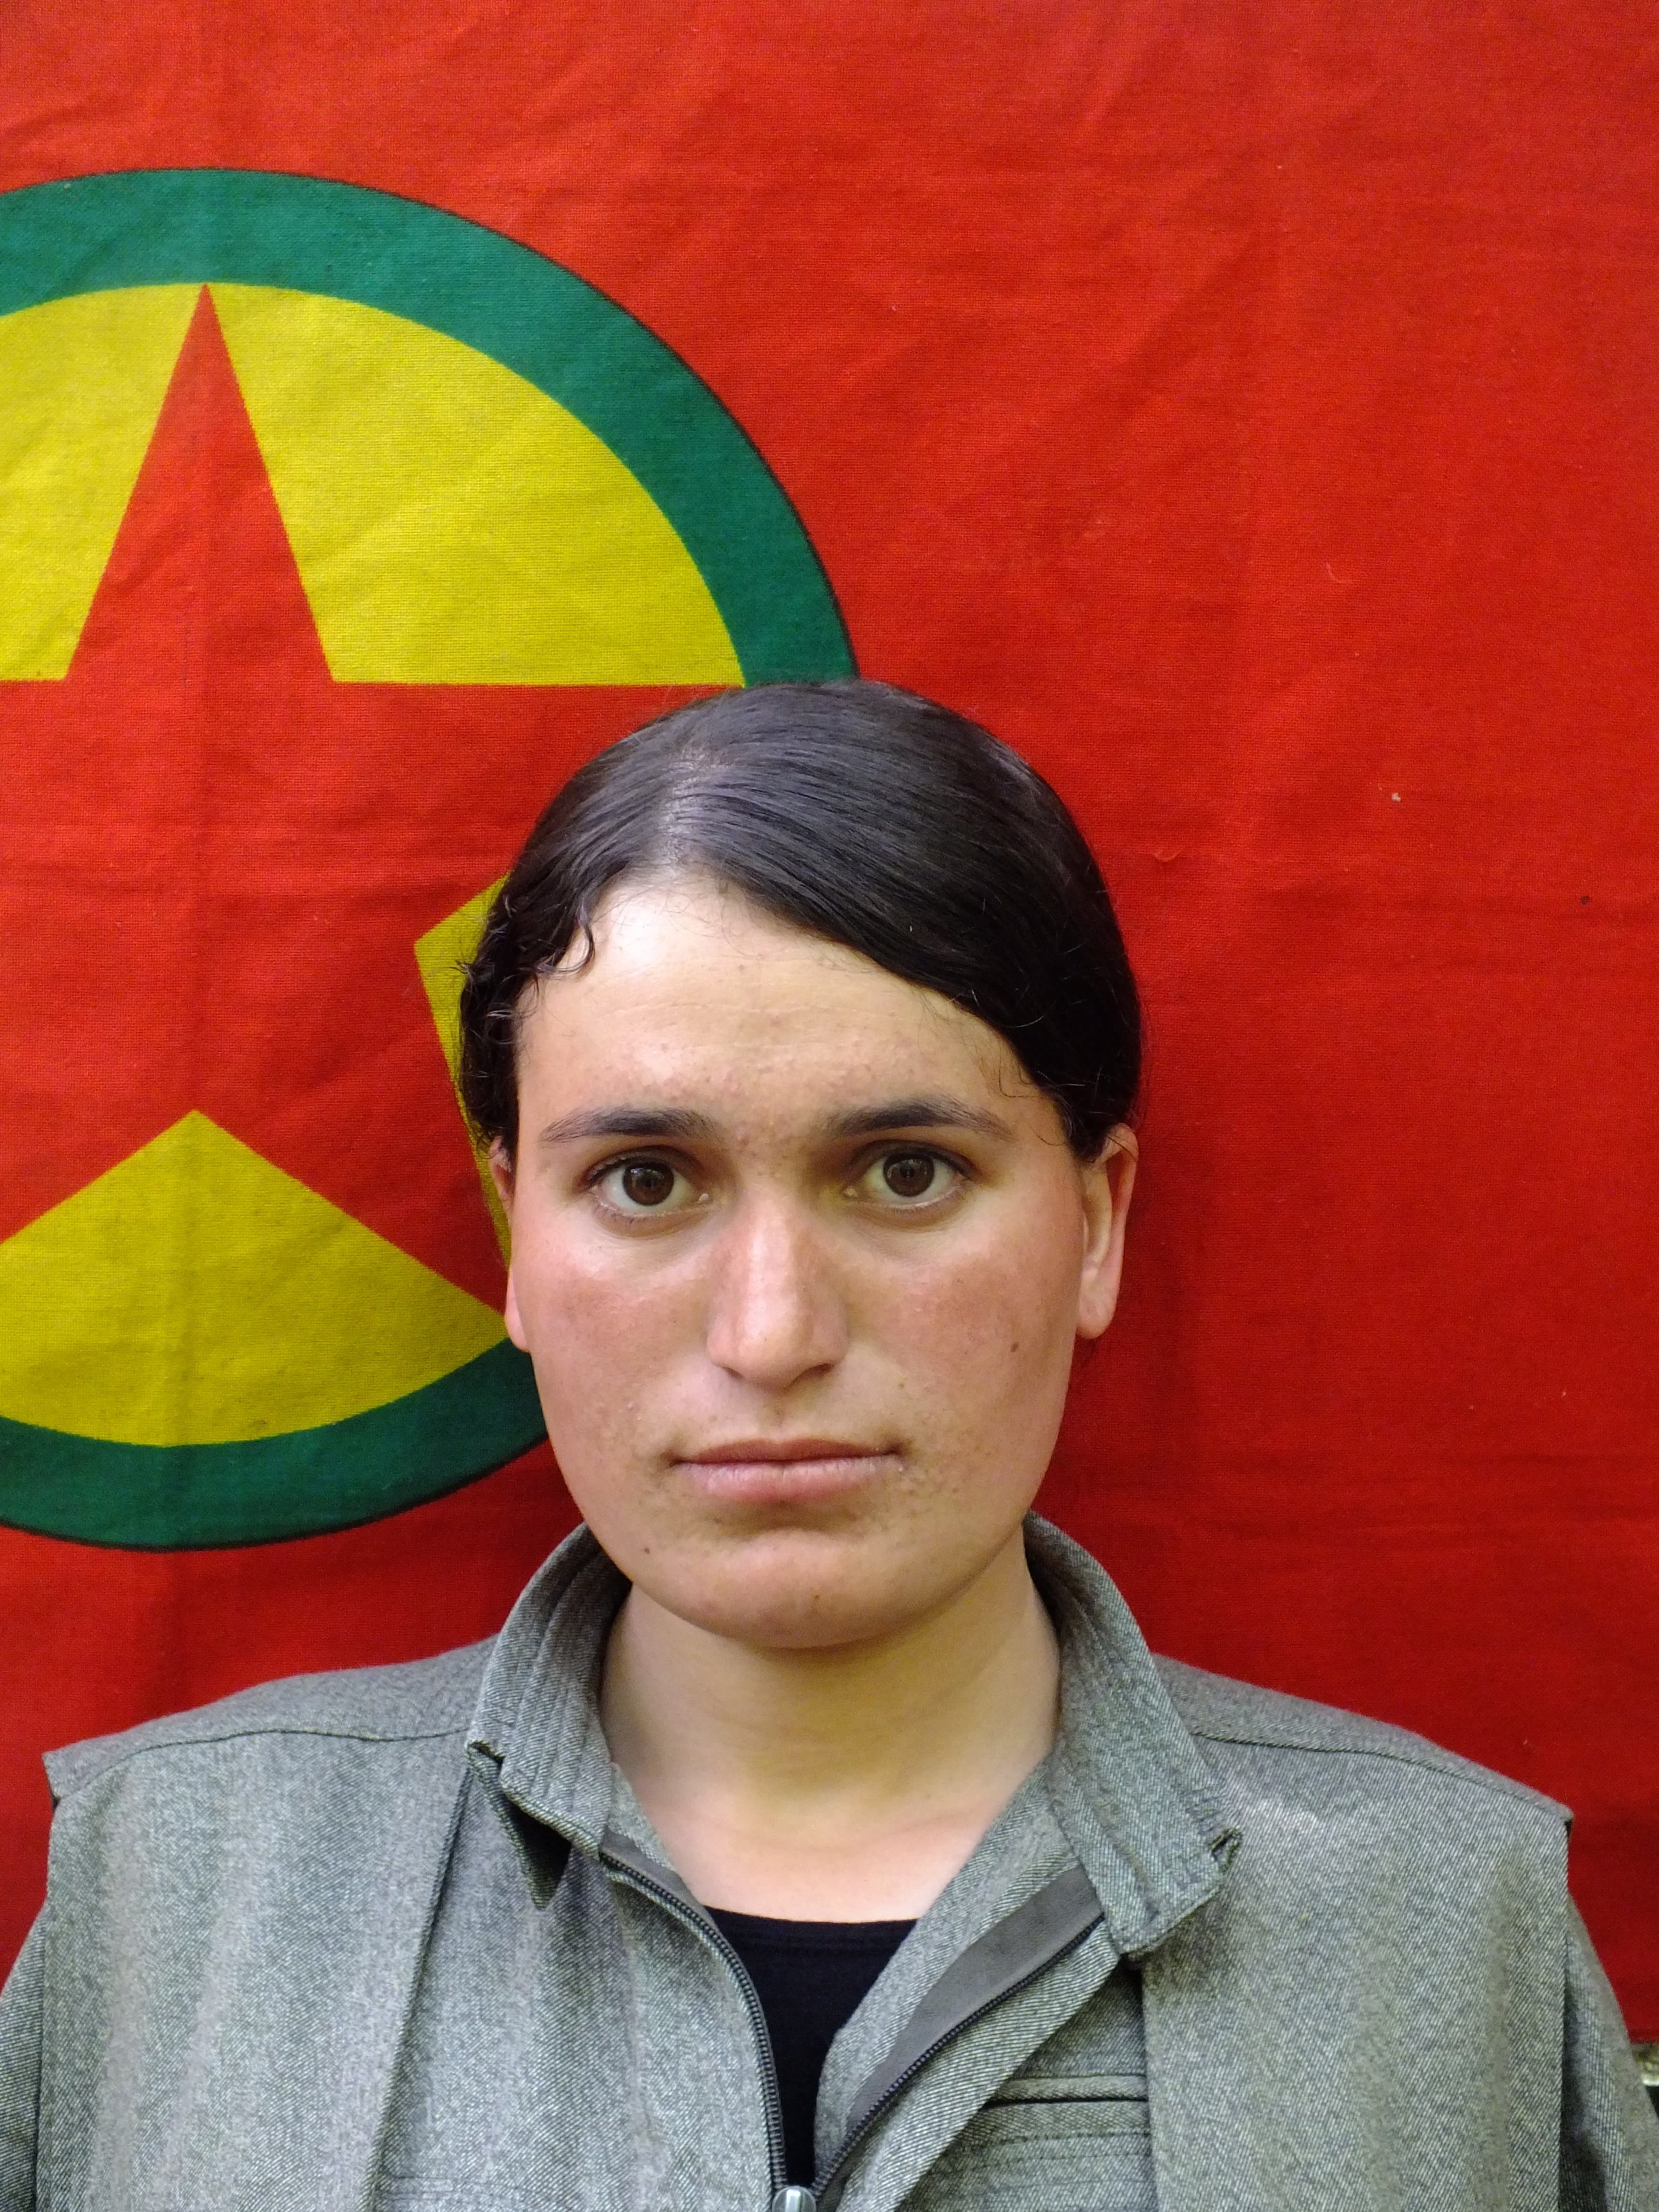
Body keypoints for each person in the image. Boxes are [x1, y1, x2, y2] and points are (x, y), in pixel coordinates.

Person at [0, 680, 1653, 2212]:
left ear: (1095, 1224)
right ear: (515, 1237)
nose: (773, 1332)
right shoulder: (173, 1890)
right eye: (647, 1181)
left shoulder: (1456, 1925)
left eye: (905, 1173)